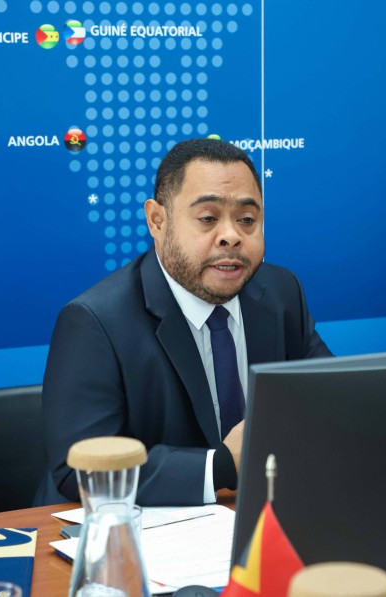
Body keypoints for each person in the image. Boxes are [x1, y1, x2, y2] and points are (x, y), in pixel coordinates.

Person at [41, 138, 331, 506]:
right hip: (133, 528)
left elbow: (329, 399)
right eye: (208, 218)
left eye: (246, 220)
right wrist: (221, 466)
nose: (231, 236)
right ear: (157, 221)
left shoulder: (281, 291)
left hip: (260, 512)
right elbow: (79, 469)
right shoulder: (96, 321)